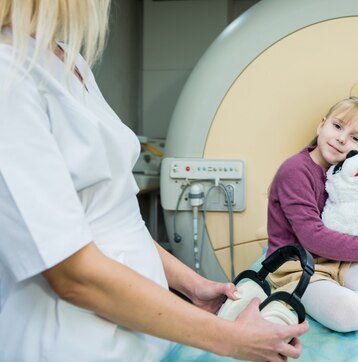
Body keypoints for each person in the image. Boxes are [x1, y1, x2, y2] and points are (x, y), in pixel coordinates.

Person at [0, 1, 308, 361]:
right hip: (76, 340)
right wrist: (229, 339)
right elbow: (72, 274)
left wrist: (193, 287)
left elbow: (114, 218)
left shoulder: (67, 59)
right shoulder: (9, 75)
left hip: (144, 332)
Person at [266, 97, 358, 333]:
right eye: (337, 126)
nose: (342, 138)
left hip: (340, 260)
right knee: (351, 314)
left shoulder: (349, 172)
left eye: (355, 138)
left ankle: (355, 291)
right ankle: (357, 298)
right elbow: (312, 237)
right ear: (321, 125)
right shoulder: (295, 170)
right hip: (296, 268)